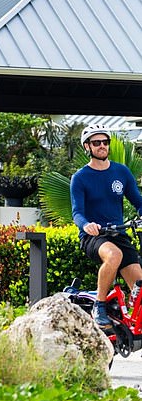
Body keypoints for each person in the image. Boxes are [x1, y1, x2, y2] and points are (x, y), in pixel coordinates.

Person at [71, 124, 142, 331]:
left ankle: (130, 326)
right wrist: (87, 225)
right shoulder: (80, 178)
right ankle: (99, 306)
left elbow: (138, 201)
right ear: (87, 147)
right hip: (94, 236)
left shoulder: (121, 171)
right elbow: (77, 212)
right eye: (96, 143)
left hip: (118, 234)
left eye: (105, 142)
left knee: (139, 285)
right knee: (114, 256)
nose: (102, 146)